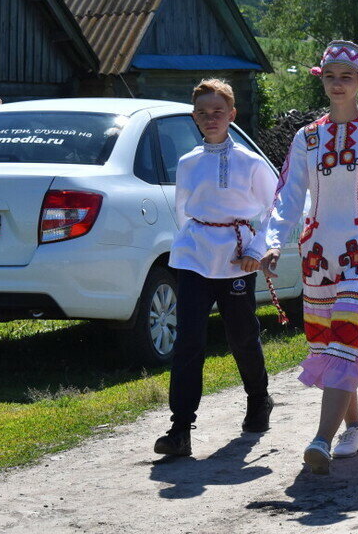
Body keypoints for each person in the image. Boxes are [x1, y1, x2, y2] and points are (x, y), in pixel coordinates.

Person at [260, 40, 358, 475]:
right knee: (331, 345)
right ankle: (353, 427)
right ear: (321, 79)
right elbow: (288, 196)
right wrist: (272, 240)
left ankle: (320, 440)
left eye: (345, 77)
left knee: (344, 340)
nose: (336, 84)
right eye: (329, 76)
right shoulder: (306, 137)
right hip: (318, 258)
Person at [154, 78, 277, 457]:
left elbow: (277, 209)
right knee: (189, 339)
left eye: (218, 112)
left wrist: (259, 249)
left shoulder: (251, 163)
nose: (211, 119)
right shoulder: (188, 162)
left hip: (237, 258)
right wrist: (192, 242)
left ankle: (259, 398)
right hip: (194, 257)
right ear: (195, 117)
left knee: (242, 336)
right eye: (203, 113)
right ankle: (180, 428)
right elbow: (182, 210)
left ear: (232, 115)